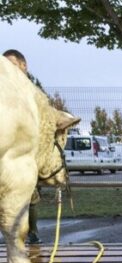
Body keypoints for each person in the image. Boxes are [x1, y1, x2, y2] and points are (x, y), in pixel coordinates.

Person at [3, 49, 42, 244]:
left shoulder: (31, 91)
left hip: (26, 153)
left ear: (23, 65)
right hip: (8, 154)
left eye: (12, 64)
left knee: (29, 196)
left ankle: (32, 232)